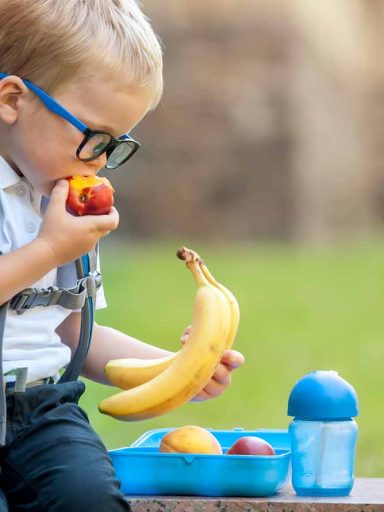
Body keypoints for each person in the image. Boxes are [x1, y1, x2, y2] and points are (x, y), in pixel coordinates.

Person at [0, 1, 245, 510]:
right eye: (93, 137)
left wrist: (177, 369)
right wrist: (48, 248)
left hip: (42, 411)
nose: (102, 160)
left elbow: (71, 335)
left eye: (116, 142)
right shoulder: (53, 228)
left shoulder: (60, 203)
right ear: (11, 99)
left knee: (91, 497)